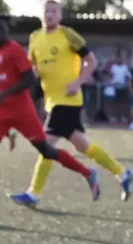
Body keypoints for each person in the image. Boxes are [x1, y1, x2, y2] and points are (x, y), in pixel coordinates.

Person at [10, 0, 133, 208]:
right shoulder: (35, 38)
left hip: (67, 100)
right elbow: (33, 69)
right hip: (52, 101)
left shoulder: (68, 34)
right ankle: (122, 174)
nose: (49, 14)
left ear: (60, 15)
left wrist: (78, 82)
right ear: (41, 14)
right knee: (83, 145)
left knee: (46, 145)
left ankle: (34, 193)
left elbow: (91, 61)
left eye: (54, 11)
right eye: (46, 11)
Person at [0, 19, 100, 200]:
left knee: (46, 150)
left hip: (22, 112)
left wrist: (6, 94)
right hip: (2, 113)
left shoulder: (14, 50)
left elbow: (29, 78)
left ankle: (87, 173)